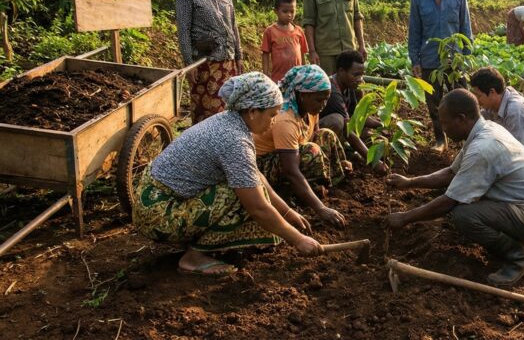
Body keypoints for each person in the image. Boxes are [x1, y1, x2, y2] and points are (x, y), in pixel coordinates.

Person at [134, 72, 324, 276]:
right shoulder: (234, 140)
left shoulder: (231, 122)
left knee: (249, 186)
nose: (275, 120)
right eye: (272, 114)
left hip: (153, 200)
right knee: (240, 196)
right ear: (252, 111)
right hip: (158, 213)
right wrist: (298, 239)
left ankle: (199, 243)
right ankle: (194, 257)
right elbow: (257, 207)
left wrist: (287, 212)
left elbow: (255, 175)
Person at [385, 90, 524, 288]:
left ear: (461, 118)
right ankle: (516, 241)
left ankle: (518, 259)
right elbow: (452, 173)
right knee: (472, 202)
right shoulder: (483, 130)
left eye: (445, 123)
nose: (443, 128)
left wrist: (406, 218)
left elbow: (450, 200)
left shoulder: (483, 148)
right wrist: (410, 182)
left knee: (464, 215)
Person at [253, 65, 351, 228]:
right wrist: (321, 209)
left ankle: (323, 186)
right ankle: (287, 197)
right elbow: (290, 171)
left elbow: (314, 136)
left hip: (289, 155)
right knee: (311, 151)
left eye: (326, 99)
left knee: (325, 135)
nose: (323, 104)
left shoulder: (309, 109)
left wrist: (340, 161)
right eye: (319, 99)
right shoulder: (285, 119)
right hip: (262, 167)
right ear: (302, 95)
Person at [408, 0, 473, 152]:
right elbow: (415, 31)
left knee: (462, 99)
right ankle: (440, 139)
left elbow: (465, 26)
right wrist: (415, 59)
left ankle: (466, 142)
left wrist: (467, 56)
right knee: (433, 102)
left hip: (455, 59)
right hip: (429, 59)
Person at [176, 0, 243, 124]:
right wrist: (189, 64)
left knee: (228, 111)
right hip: (205, 64)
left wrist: (239, 57)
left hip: (227, 63)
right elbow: (183, 31)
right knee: (206, 113)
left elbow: (233, 25)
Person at [319, 49, 381, 165]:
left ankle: (348, 152)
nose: (360, 79)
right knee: (337, 120)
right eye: (356, 74)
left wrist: (383, 125)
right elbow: (348, 130)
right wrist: (373, 162)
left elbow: (359, 117)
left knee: (371, 136)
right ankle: (330, 159)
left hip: (343, 132)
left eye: (362, 75)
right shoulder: (332, 90)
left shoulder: (350, 85)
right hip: (320, 134)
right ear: (341, 71)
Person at [261, 0, 309, 83]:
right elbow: (265, 54)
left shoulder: (299, 31)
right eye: (285, 11)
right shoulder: (270, 31)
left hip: (297, 77)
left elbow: (302, 54)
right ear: (276, 11)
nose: (289, 15)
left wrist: (304, 72)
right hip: (278, 78)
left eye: (292, 11)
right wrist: (265, 73)